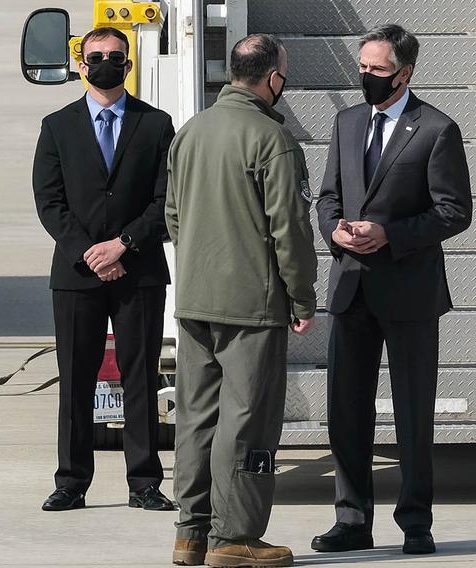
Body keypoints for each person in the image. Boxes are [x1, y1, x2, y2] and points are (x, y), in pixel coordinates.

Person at [312, 24, 472, 556]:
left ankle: (416, 523)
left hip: (409, 291)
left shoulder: (437, 129)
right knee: (346, 411)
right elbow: (328, 195)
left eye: (377, 70)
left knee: (411, 412)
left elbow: (454, 211)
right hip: (352, 287)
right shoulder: (347, 122)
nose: (366, 77)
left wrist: (391, 235)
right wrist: (333, 229)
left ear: (405, 73)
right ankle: (352, 518)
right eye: (362, 67)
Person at [166, 34, 317, 568]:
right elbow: (291, 232)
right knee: (248, 420)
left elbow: (174, 216)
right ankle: (237, 537)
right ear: (272, 78)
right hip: (251, 305)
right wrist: (302, 298)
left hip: (195, 300)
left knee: (195, 417)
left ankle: (190, 534)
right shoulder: (271, 140)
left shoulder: (190, 133)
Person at [33, 27, 175, 513]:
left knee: (140, 377)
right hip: (77, 275)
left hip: (138, 272)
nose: (106, 63)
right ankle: (71, 481)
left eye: (116, 56)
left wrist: (123, 245)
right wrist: (92, 252)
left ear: (129, 64)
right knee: (76, 378)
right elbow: (49, 202)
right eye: (96, 56)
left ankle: (144, 482)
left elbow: (166, 200)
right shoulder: (57, 126)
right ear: (81, 63)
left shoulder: (156, 124)